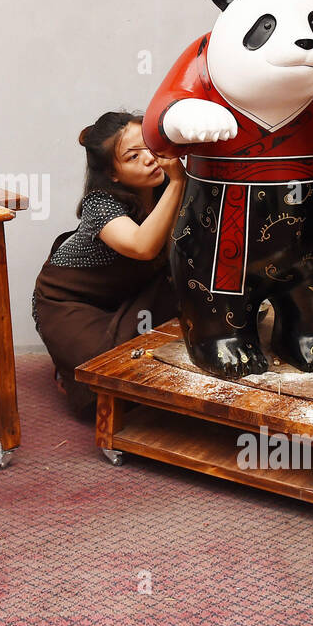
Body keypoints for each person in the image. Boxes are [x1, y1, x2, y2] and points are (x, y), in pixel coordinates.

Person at [33, 111, 187, 418]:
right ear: (113, 174)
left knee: (184, 287)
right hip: (70, 305)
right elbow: (142, 247)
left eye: (150, 146)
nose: (149, 159)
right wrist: (178, 182)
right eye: (133, 156)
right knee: (104, 384)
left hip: (127, 296)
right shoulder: (100, 202)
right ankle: (66, 366)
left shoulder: (168, 188)